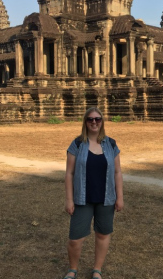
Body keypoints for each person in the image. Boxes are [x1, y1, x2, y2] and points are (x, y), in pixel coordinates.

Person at [63, 107, 124, 279]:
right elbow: (69, 173)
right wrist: (69, 200)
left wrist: (120, 197)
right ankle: (72, 269)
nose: (94, 122)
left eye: (97, 119)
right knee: (76, 238)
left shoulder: (111, 144)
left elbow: (117, 172)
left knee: (103, 234)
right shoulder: (76, 144)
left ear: (102, 122)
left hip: (106, 198)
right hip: (82, 198)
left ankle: (97, 269)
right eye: (90, 119)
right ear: (85, 122)